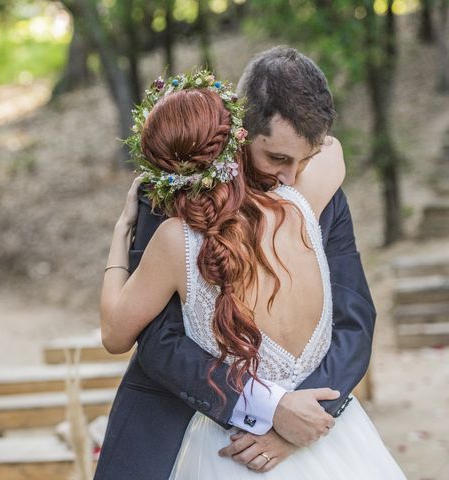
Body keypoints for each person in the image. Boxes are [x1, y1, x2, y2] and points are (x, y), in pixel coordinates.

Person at [98, 70, 405, 478]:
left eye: (306, 158)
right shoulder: (171, 192)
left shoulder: (319, 193)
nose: (291, 177)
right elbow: (158, 340)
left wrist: (298, 424)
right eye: (277, 158)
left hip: (316, 431)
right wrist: (269, 408)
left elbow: (355, 320)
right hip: (191, 427)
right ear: (239, 133)